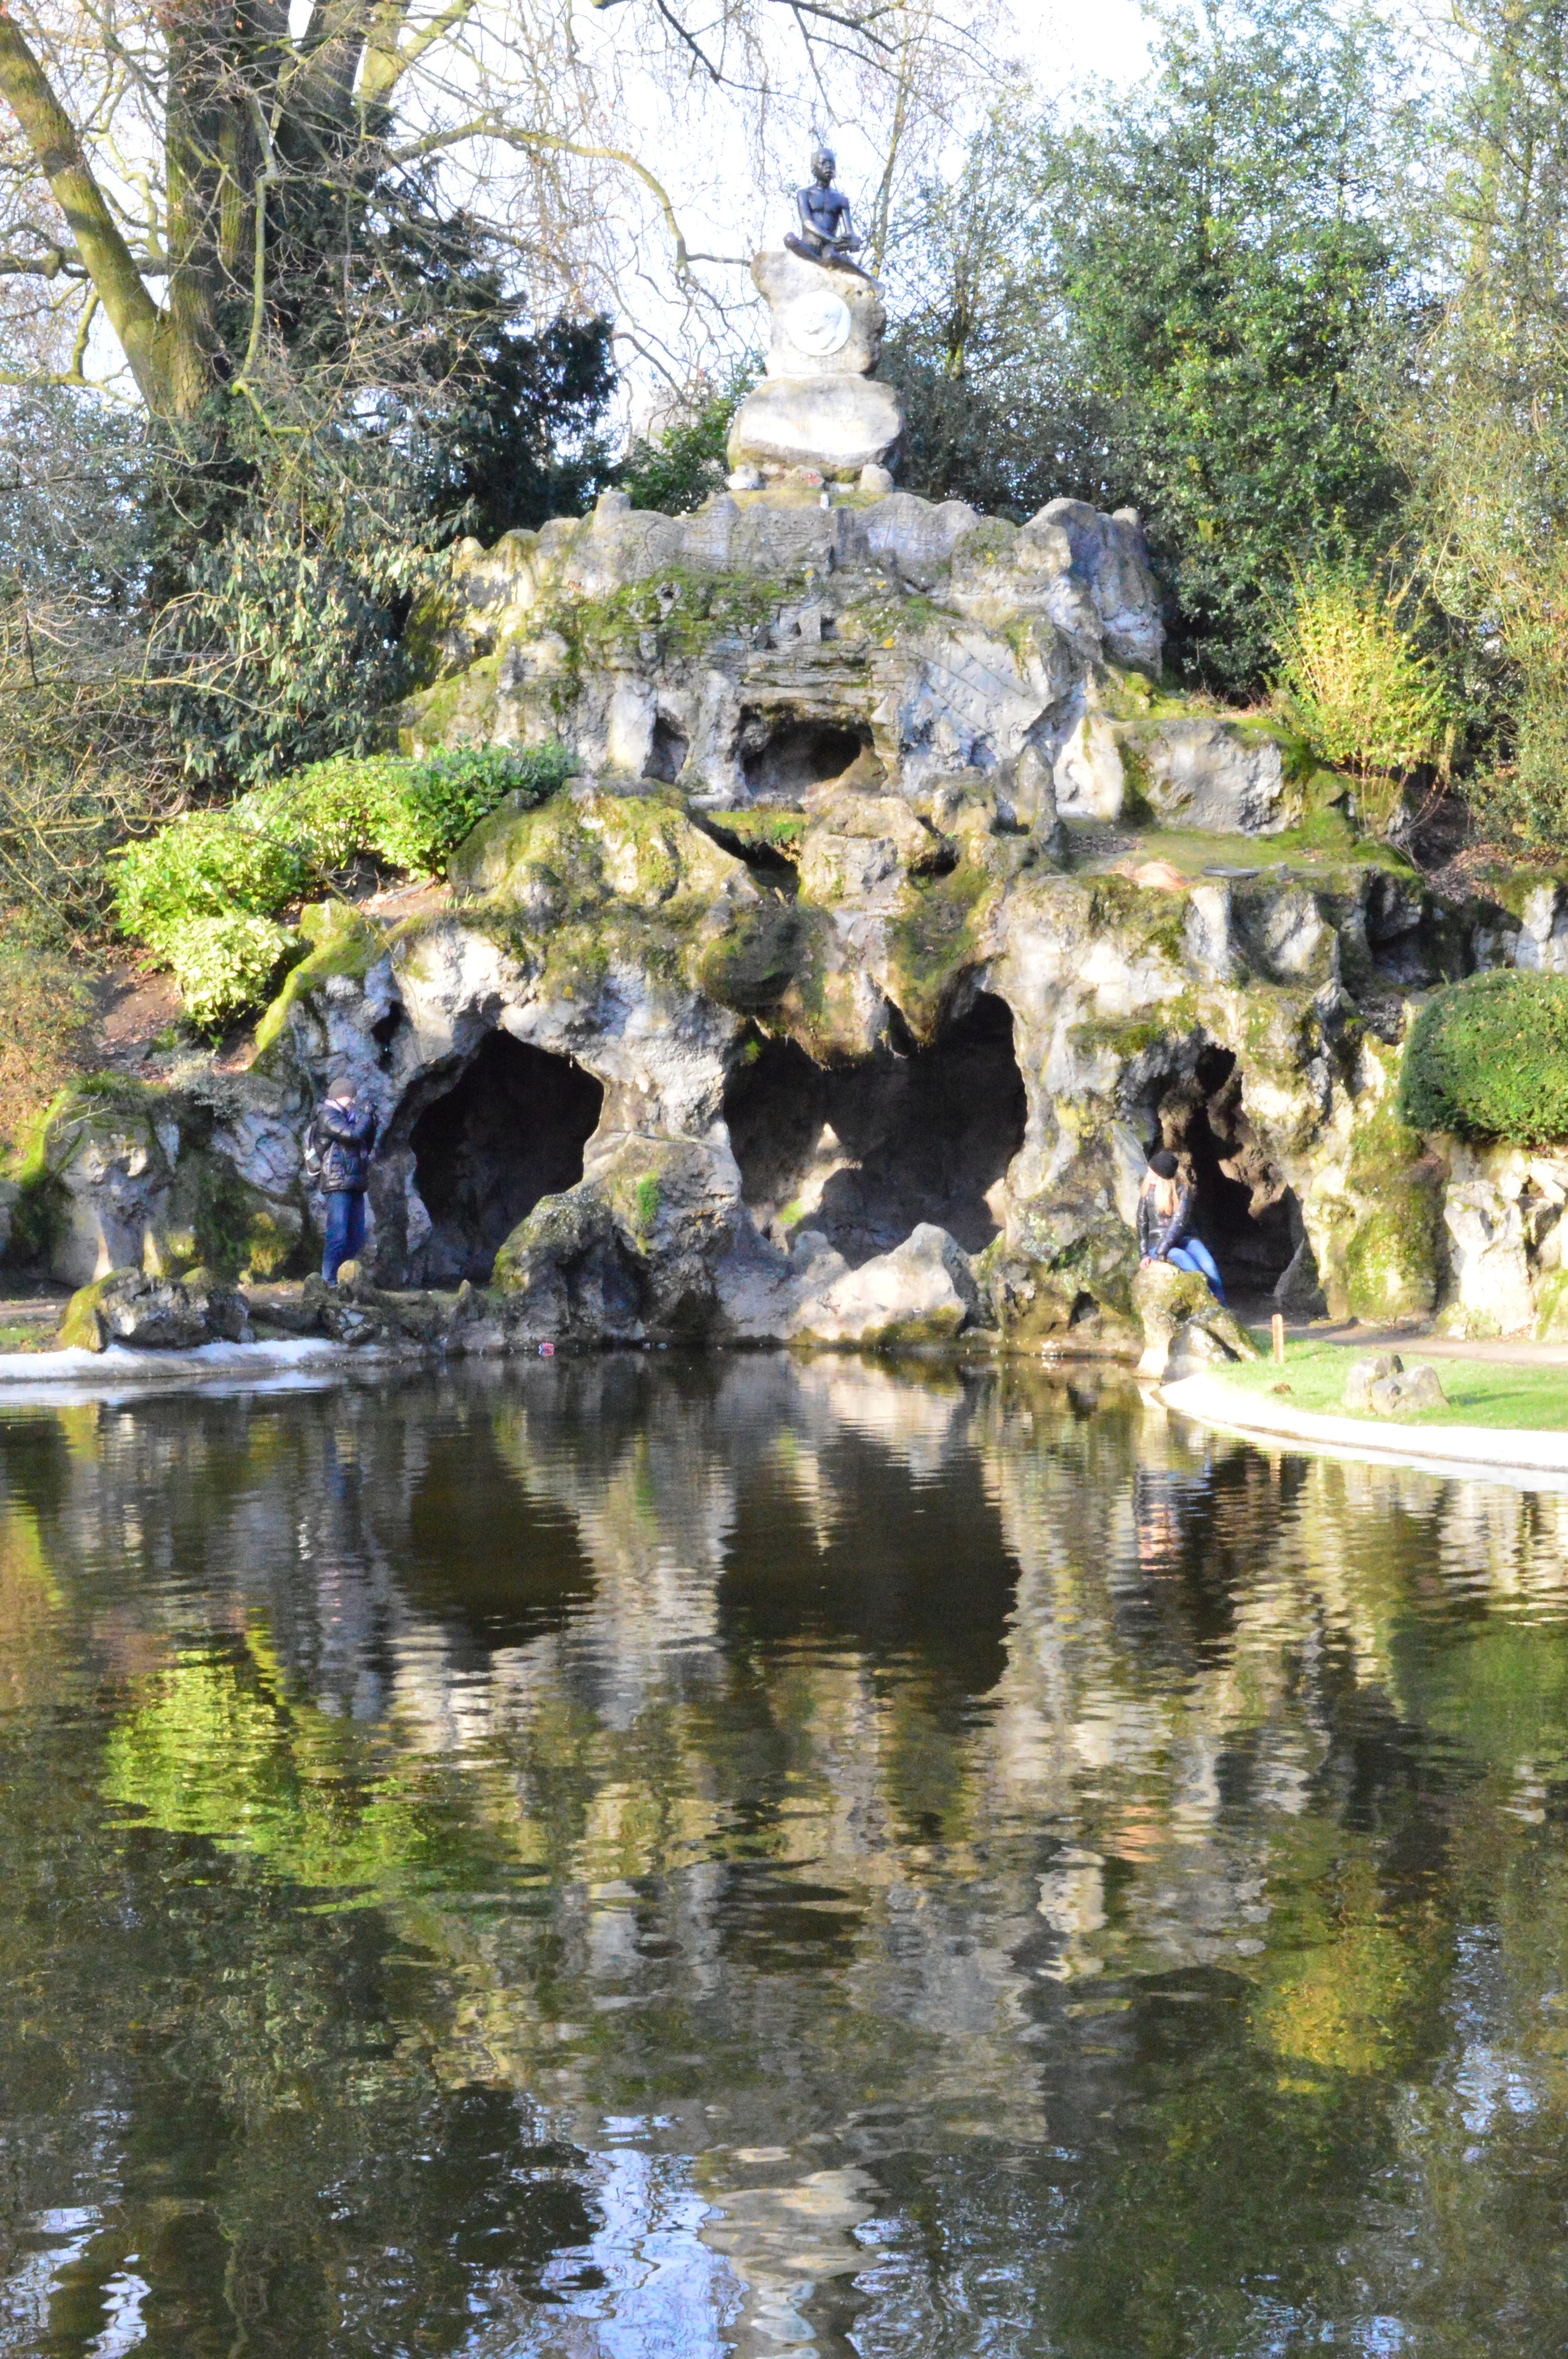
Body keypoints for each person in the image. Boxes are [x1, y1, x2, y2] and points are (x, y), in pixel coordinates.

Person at [308, 1077, 378, 1286]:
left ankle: (340, 1276)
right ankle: (327, 1281)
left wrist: (372, 1123)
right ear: (341, 1095)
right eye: (351, 1097)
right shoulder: (327, 1116)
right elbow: (352, 1135)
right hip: (336, 1183)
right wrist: (366, 1117)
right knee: (337, 1236)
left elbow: (366, 1143)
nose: (354, 1101)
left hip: (355, 1183)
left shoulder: (349, 1116)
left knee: (357, 1237)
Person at [1137, 1148, 1227, 1304]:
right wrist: (1145, 1254)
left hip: (1181, 1239)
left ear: (1162, 1176)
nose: (1148, 1173)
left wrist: (1163, 1250)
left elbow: (1178, 1223)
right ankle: (1210, 1300)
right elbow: (1142, 1223)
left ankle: (1224, 1308)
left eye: (1152, 1172)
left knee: (1209, 1265)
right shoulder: (1146, 1190)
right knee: (1185, 1260)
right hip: (1157, 1243)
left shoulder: (1182, 1190)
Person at [787, 146, 867, 270]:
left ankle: (868, 279)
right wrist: (833, 239)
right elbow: (807, 222)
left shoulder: (841, 199)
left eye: (832, 163)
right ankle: (821, 263)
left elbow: (849, 230)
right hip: (810, 244)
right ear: (814, 168)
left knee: (830, 255)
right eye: (823, 163)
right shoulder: (805, 194)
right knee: (790, 239)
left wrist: (853, 239)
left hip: (830, 247)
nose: (828, 166)